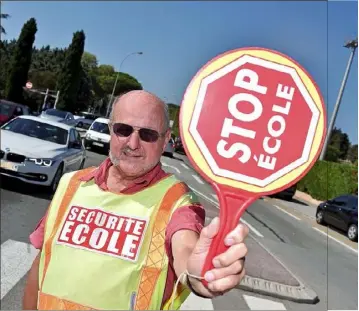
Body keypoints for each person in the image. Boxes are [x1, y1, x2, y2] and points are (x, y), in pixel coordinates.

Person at [23, 90, 249, 310]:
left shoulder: (178, 202)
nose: (132, 143)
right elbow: (42, 262)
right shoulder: (71, 183)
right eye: (123, 130)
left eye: (148, 135)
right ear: (111, 130)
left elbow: (186, 247)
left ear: (165, 140)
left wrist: (199, 274)